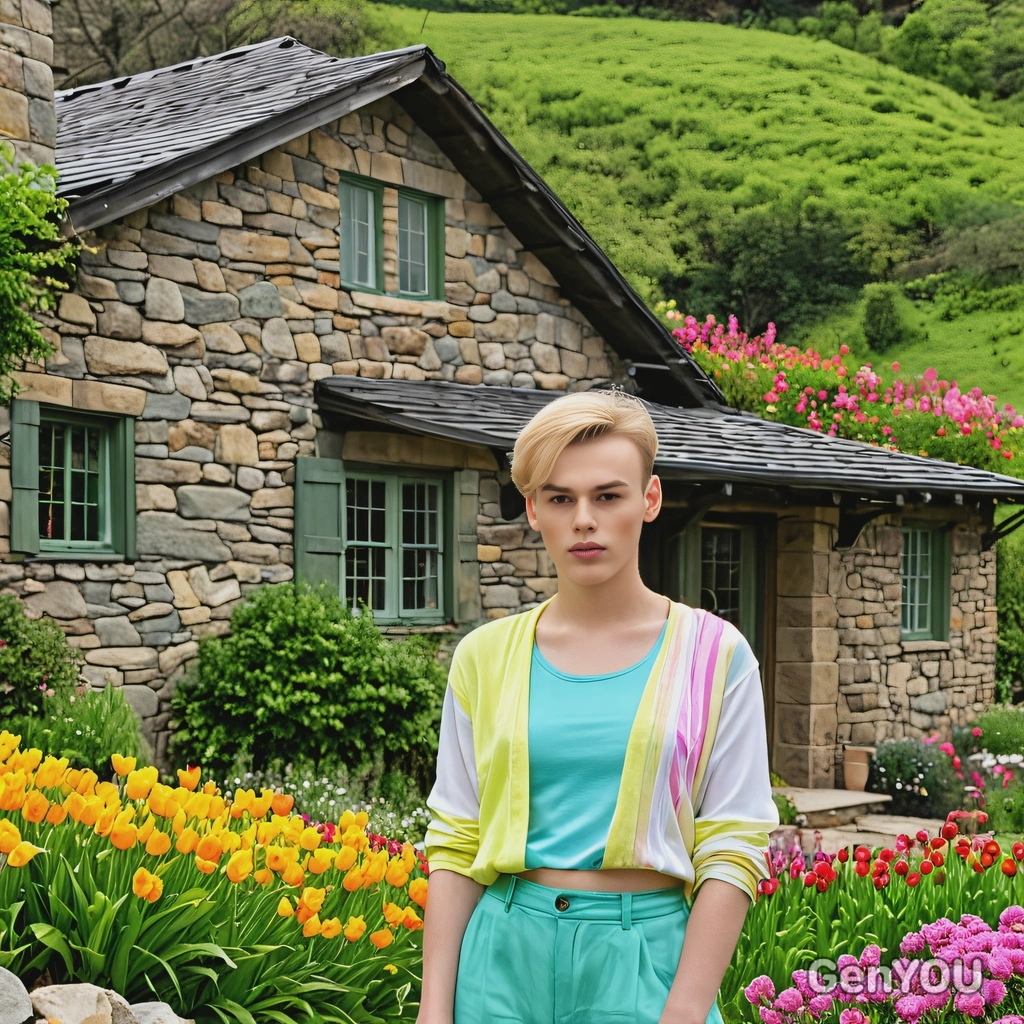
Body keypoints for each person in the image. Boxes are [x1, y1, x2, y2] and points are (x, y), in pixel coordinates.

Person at [417, 388, 779, 1024]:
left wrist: (686, 1011)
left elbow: (735, 842)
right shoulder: (483, 657)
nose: (584, 519)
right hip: (500, 963)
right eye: (561, 498)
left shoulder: (716, 655)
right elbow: (456, 841)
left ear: (650, 500)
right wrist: (433, 1012)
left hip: (647, 967)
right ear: (533, 510)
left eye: (607, 496)